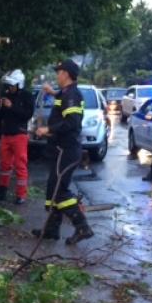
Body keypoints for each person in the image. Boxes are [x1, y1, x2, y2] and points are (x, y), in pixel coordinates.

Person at [32, 60, 93, 245]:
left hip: (66, 150)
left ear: (66, 74)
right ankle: (52, 229)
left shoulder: (72, 95)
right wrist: (52, 92)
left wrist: (48, 130)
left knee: (60, 192)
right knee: (53, 189)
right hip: (60, 150)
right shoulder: (66, 93)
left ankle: (82, 227)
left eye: (58, 72)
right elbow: (63, 101)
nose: (57, 76)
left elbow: (72, 123)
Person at [0, 69, 34, 205]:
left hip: (19, 135)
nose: (9, 88)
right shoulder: (6, 96)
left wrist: (12, 106)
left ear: (19, 84)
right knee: (4, 165)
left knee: (20, 165)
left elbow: (27, 115)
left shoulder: (27, 96)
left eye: (11, 85)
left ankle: (21, 195)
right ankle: (2, 192)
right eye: (8, 86)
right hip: (6, 135)